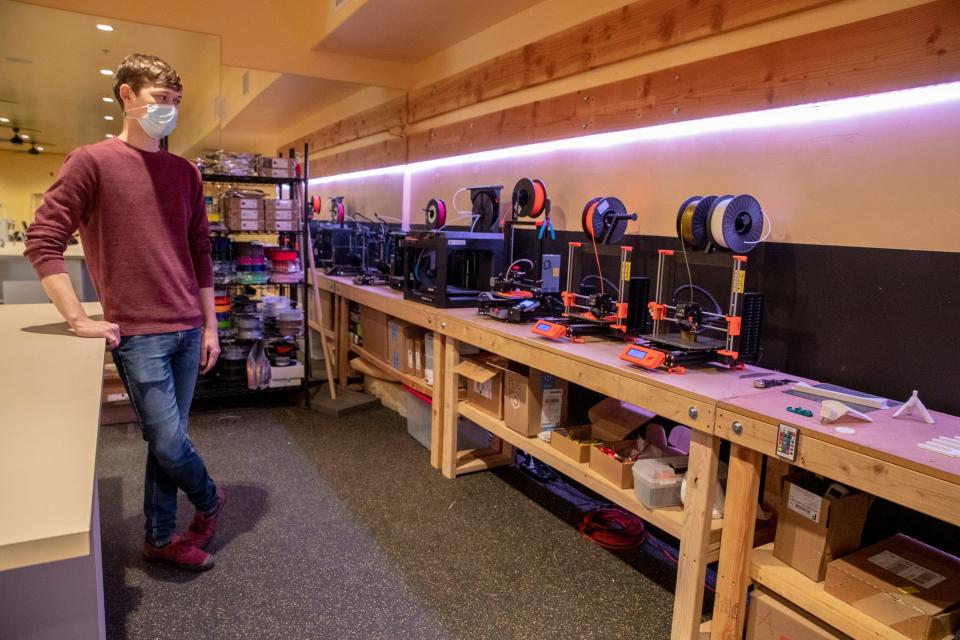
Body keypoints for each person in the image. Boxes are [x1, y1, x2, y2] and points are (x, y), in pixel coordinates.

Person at [25, 53, 224, 571]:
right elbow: (43, 242)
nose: (170, 111)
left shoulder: (184, 173)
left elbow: (200, 250)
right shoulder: (91, 161)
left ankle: (159, 538)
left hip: (186, 324)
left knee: (169, 443)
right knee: (167, 441)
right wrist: (78, 319)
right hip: (138, 333)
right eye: (161, 99)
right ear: (127, 96)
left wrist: (211, 324)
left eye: (176, 103)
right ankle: (210, 499)